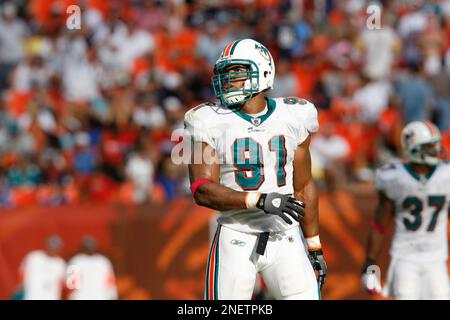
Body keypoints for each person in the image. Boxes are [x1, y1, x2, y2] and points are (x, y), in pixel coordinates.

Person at [184, 39, 327, 300]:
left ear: (262, 71)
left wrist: (314, 244)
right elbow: (201, 190)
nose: (228, 80)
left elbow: (303, 185)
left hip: (286, 236)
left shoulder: (295, 115)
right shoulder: (208, 119)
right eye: (225, 74)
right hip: (236, 234)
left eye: (236, 72)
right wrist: (258, 200)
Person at [362, 121, 450, 300]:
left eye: (437, 144)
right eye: (430, 146)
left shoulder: (445, 175)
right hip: (405, 257)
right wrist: (370, 265)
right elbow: (380, 224)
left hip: (437, 258)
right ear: (414, 148)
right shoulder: (394, 177)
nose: (437, 149)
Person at [17, 235, 66, 300]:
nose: (53, 249)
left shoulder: (61, 263)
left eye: (56, 247)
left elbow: (62, 283)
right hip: (31, 296)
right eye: (51, 246)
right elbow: (22, 273)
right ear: (46, 245)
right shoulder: (34, 256)